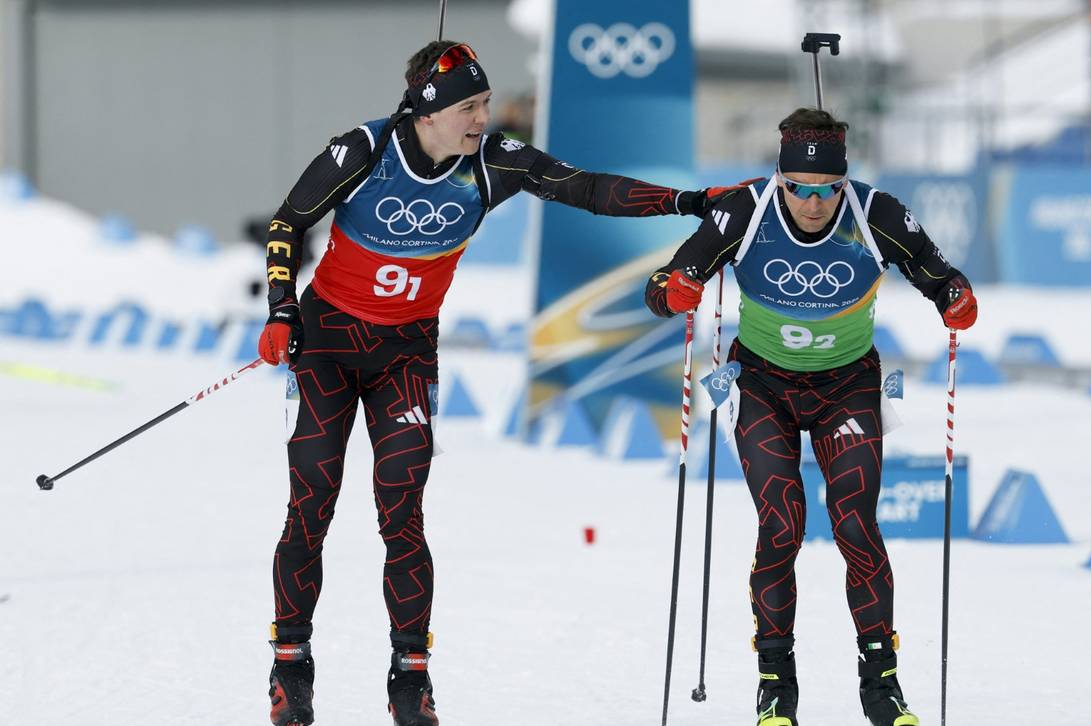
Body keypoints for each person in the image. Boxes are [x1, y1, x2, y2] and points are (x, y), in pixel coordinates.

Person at [257, 39, 739, 726]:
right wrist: (281, 307)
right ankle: (290, 666)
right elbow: (288, 223)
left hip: (405, 355)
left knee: (402, 513)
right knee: (312, 506)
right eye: (469, 107)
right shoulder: (363, 150)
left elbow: (588, 188)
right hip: (328, 348)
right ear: (427, 112)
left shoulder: (494, 163)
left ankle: (410, 678)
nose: (485, 117)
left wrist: (689, 200)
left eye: (485, 103)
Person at [641, 108, 978, 726]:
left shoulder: (875, 213)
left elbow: (934, 269)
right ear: (781, 178)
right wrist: (675, 292)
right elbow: (661, 287)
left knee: (855, 525)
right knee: (783, 523)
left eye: (827, 191)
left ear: (843, 185)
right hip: (762, 385)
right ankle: (775, 684)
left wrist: (955, 295)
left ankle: (882, 685)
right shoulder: (745, 210)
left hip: (849, 387)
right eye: (799, 188)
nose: (814, 203)